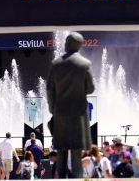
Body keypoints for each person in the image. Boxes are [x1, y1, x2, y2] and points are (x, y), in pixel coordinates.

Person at [46, 32, 95, 179]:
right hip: (79, 112)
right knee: (76, 149)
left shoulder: (56, 64)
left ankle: (61, 179)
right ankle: (76, 178)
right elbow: (91, 88)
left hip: (60, 111)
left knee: (61, 149)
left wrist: (51, 108)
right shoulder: (85, 64)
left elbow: (49, 89)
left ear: (68, 44)